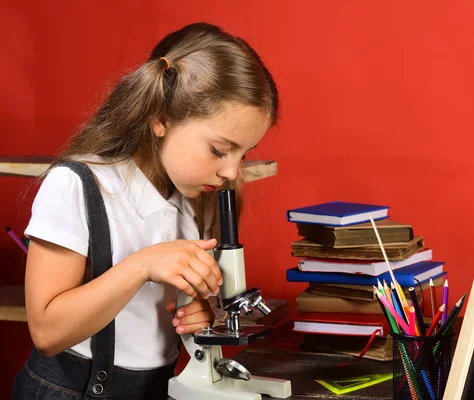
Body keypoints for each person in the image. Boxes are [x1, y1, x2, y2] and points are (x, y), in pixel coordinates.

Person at [11, 22, 278, 400]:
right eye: (220, 150)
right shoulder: (78, 185)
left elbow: (159, 317)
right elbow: (47, 332)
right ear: (160, 119)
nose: (232, 171)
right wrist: (142, 266)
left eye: (244, 153)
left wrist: (197, 314)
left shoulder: (193, 200)